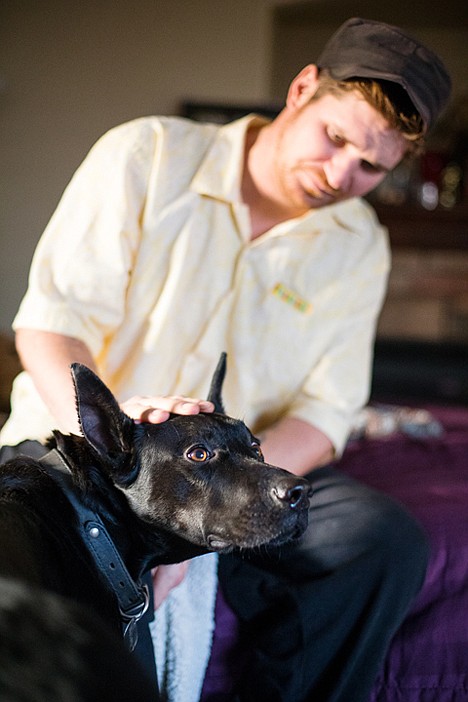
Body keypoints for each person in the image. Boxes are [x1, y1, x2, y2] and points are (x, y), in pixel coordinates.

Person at [0, 17, 451, 702]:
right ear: (302, 90)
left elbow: (326, 414)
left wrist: (220, 500)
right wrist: (135, 472)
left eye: (371, 167)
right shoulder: (144, 156)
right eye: (335, 138)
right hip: (90, 455)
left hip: (243, 468)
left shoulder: (358, 244)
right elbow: (50, 329)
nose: (339, 175)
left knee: (385, 541)